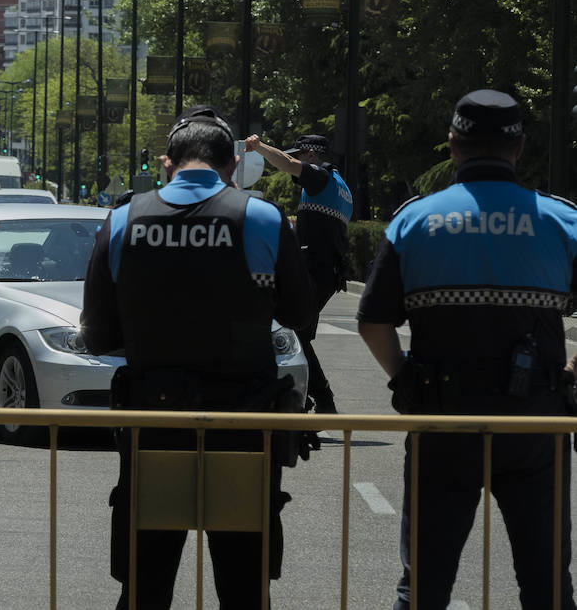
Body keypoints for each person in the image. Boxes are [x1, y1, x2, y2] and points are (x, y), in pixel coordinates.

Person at [81, 105, 316, 609]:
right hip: (243, 427)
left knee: (145, 587)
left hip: (154, 424)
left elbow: (98, 337)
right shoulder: (261, 217)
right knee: (243, 588)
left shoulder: (124, 219)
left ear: (168, 164)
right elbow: (300, 314)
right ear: (232, 162)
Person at [356, 89, 577, 609]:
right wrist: (571, 370)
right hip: (536, 425)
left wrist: (404, 377)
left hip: (442, 419)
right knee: (547, 587)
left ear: (452, 146)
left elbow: (371, 321)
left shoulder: (415, 219)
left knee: (423, 588)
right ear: (518, 148)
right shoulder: (562, 220)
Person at [244, 133, 353, 413]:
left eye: (302, 155)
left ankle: (320, 398)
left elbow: (289, 164)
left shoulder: (321, 178)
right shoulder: (341, 186)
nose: (299, 162)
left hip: (317, 270)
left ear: (312, 155)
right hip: (327, 271)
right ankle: (312, 398)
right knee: (298, 332)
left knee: (294, 330)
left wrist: (259, 147)